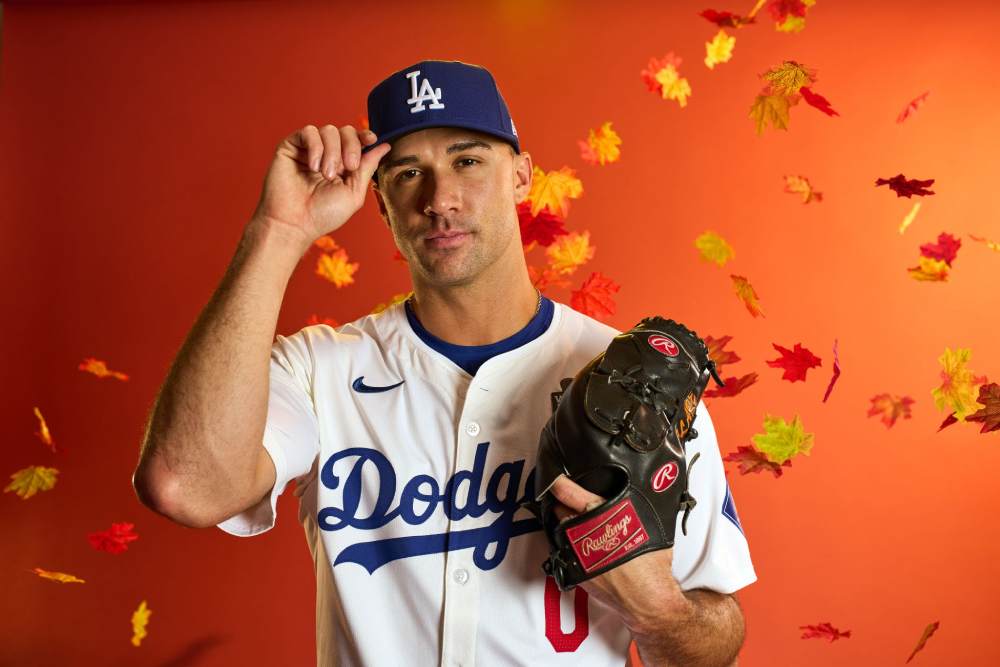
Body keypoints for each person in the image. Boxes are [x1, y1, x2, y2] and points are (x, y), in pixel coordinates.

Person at [132, 59, 756, 667]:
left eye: (467, 160)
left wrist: (658, 611)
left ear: (520, 176)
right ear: (379, 202)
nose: (440, 198)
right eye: (408, 173)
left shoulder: (638, 381)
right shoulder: (318, 371)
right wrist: (278, 229)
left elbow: (714, 644)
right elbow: (186, 487)